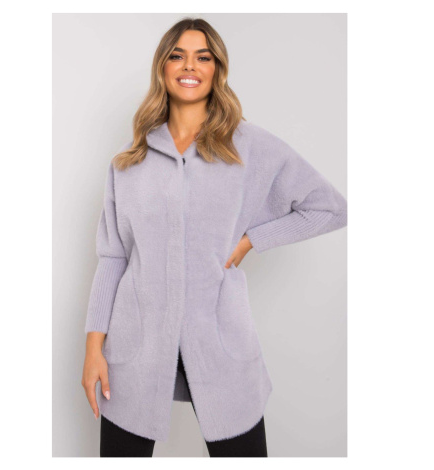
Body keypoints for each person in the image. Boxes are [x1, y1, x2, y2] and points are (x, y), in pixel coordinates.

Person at [81, 17, 347, 458]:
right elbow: (112, 258)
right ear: (163, 67)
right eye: (177, 55)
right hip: (134, 351)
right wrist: (93, 349)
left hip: (222, 347)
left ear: (216, 69)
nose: (190, 66)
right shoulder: (129, 161)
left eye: (203, 57)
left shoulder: (249, 146)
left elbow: (330, 208)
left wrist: (251, 240)